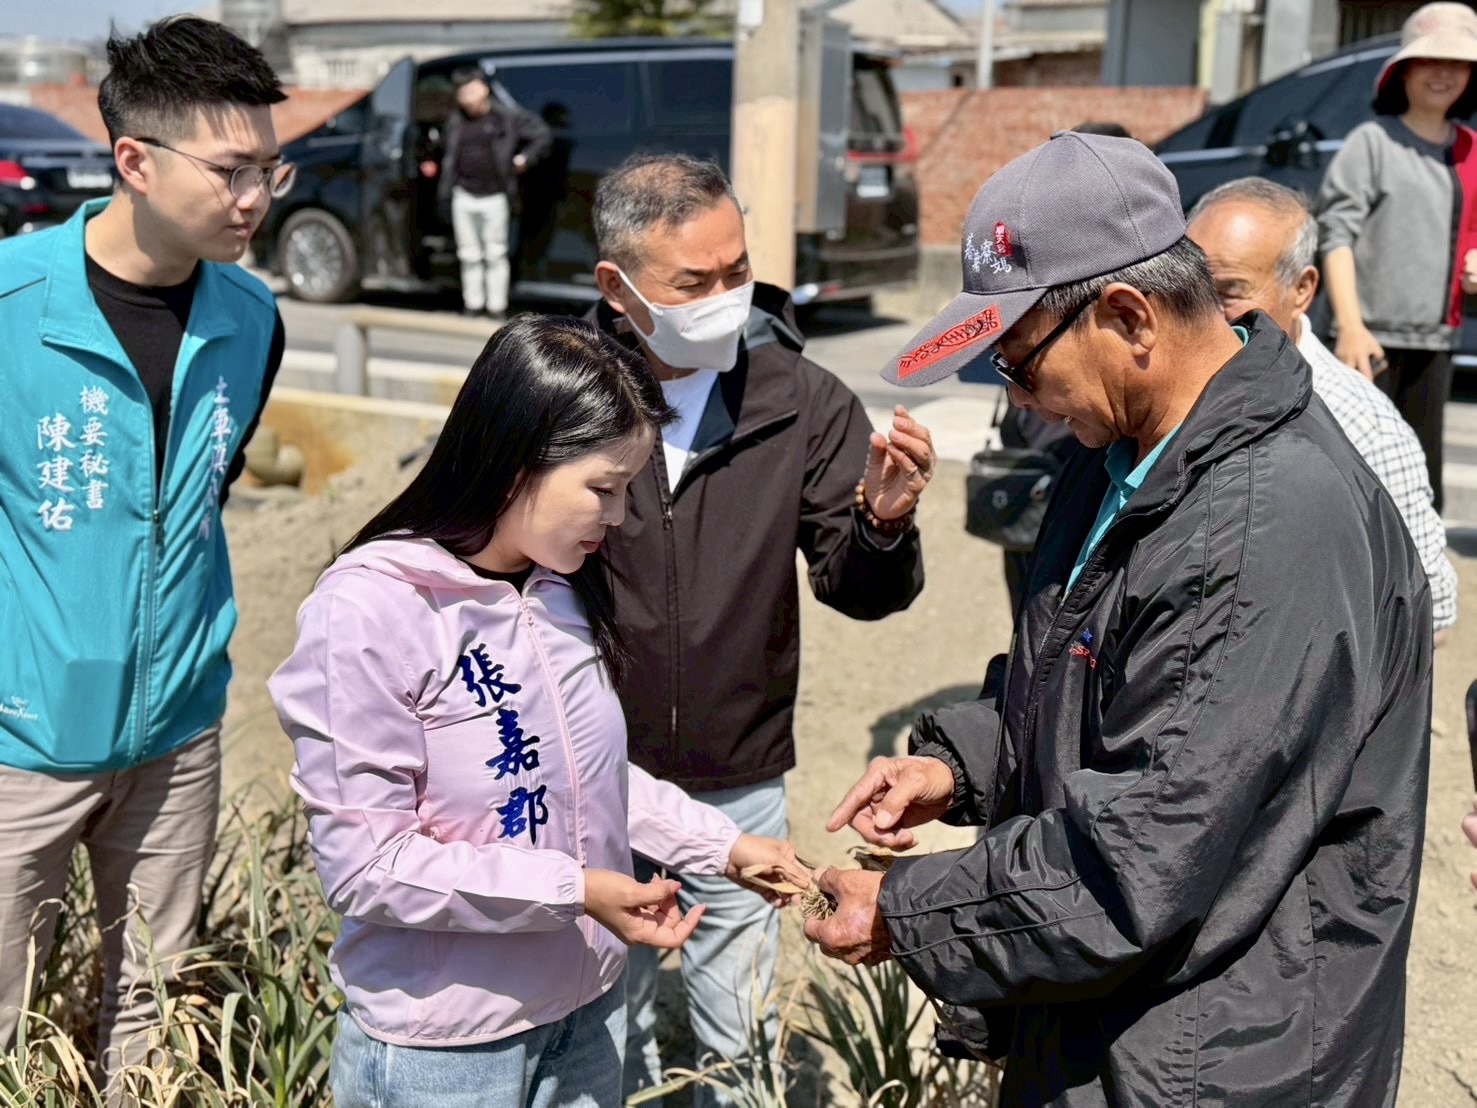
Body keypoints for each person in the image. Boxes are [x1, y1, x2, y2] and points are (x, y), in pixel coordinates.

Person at [805, 131, 1432, 1106]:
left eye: (1016, 364)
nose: (1018, 399)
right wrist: (961, 761)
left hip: (1216, 1056)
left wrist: (907, 910)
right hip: (1120, 1021)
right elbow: (1096, 679)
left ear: (1131, 316)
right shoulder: (1115, 457)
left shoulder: (1263, 525)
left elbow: (1140, 854)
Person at [268, 316, 809, 1107]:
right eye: (602, 488)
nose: (618, 517)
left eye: (628, 490)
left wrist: (721, 846)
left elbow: (585, 780)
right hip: (447, 1049)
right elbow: (367, 865)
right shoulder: (370, 608)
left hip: (585, 1012)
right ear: (513, 460)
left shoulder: (557, 587)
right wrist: (573, 889)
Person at [585, 153, 933, 1102]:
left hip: (736, 776)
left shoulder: (797, 398)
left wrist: (882, 521)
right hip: (586, 774)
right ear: (615, 287)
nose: (725, 298)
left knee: (734, 1026)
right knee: (597, 1017)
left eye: (736, 271)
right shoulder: (558, 390)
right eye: (692, 283)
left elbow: (858, 589)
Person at [0, 16, 289, 1081]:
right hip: (15, 744)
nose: (256, 196)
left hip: (176, 734)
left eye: (270, 166)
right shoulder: (10, 305)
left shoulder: (251, 315)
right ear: (134, 160)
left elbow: (207, 493)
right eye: (230, 170)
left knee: (158, 1019)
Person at [1187, 176, 1457, 638]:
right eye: (1191, 287)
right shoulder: (1170, 389)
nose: (1205, 312)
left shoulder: (1361, 424)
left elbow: (1431, 607)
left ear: (1302, 289)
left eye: (1230, 290)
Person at [1317, 1, 1477, 512]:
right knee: (1353, 475)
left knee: (1419, 484)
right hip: (1369, 342)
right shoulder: (1372, 143)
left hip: (1436, 342)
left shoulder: (1473, 149)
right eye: (1431, 59)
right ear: (1403, 70)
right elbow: (1335, 234)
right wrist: (1351, 326)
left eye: (1457, 62)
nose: (1443, 72)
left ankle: (1415, 588)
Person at [438, 66, 552, 320]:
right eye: (461, 92)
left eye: (469, 90)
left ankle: (496, 306)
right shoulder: (456, 121)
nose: (465, 97)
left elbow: (542, 135)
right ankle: (473, 304)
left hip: (496, 195)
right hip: (464, 195)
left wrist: (523, 160)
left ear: (483, 90)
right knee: (468, 253)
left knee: (495, 253)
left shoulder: (506, 117)